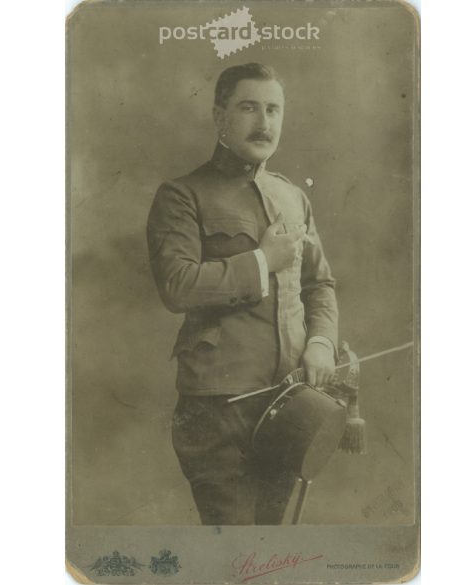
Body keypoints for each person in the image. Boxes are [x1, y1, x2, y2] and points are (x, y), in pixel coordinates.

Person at [147, 63, 339, 525]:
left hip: (290, 404)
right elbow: (177, 286)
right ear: (220, 118)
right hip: (217, 412)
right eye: (248, 107)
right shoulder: (182, 196)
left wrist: (320, 343)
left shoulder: (292, 198)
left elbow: (320, 285)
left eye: (273, 109)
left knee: (268, 546)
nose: (264, 122)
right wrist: (261, 261)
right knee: (234, 551)